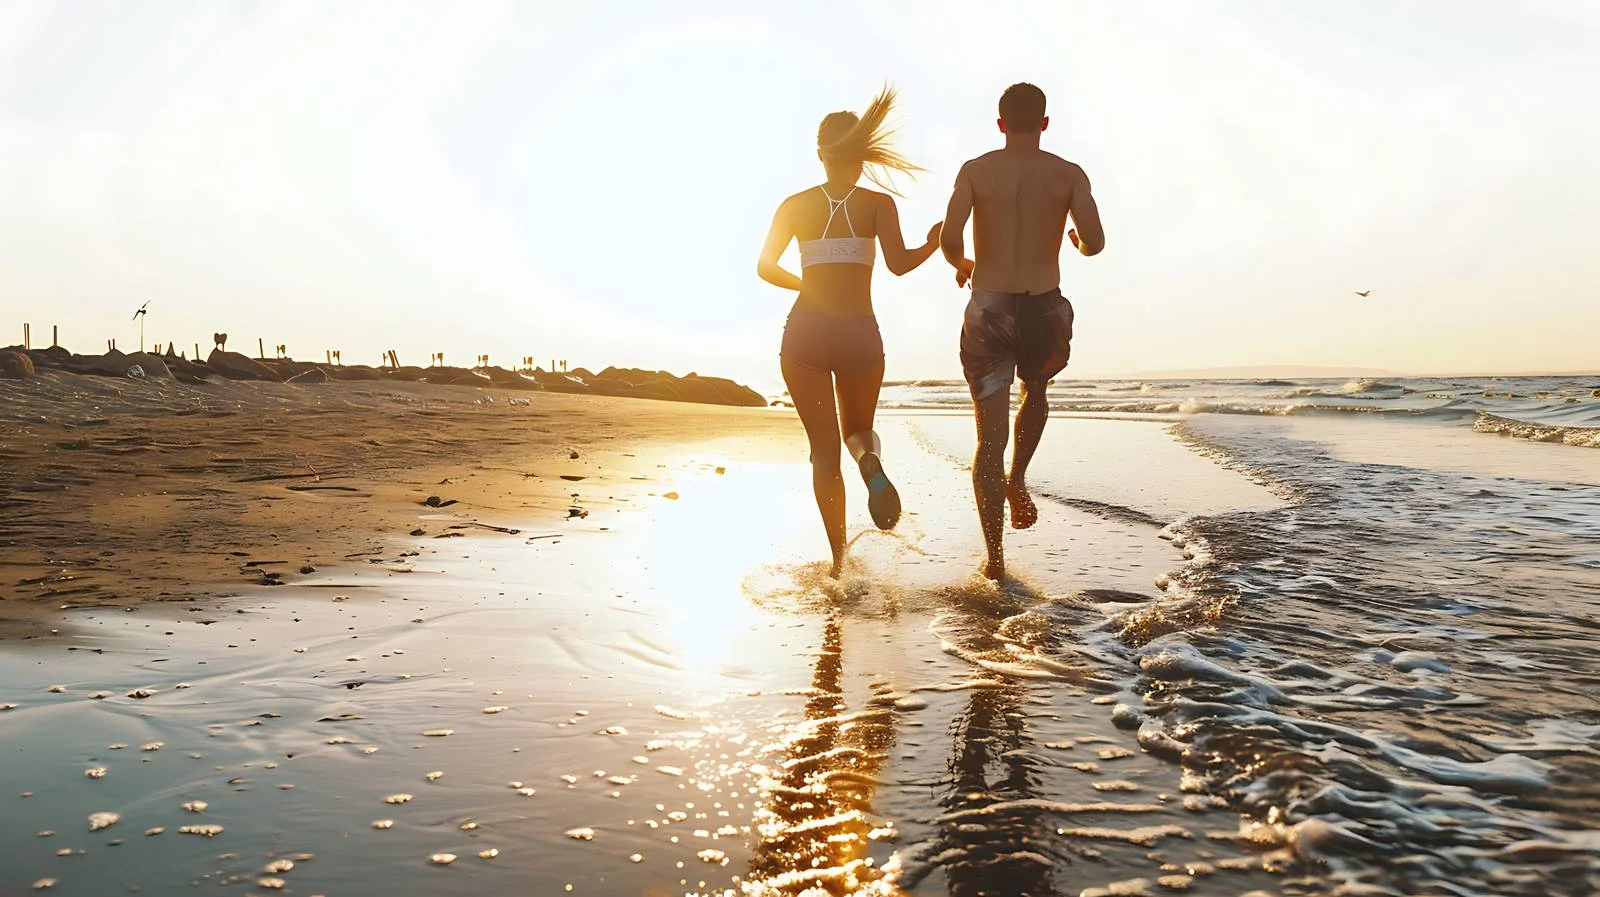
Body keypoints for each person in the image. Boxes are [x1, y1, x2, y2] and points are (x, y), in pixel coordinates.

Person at [758, 86, 943, 578]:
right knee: (858, 432)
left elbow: (765, 266)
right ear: (862, 156)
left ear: (820, 153)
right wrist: (932, 244)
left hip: (805, 333)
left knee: (823, 453)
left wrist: (807, 285)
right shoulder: (878, 204)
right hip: (860, 333)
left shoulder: (794, 205)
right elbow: (899, 264)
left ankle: (839, 562)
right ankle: (870, 463)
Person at [939, 82, 1105, 583]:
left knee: (987, 441)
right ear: (1045, 123)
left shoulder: (975, 171)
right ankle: (1018, 478)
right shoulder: (1068, 174)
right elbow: (1095, 243)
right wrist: (1075, 241)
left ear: (1000, 123)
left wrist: (963, 263)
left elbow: (949, 237)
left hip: (988, 309)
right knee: (1036, 390)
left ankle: (995, 559)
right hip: (1042, 309)